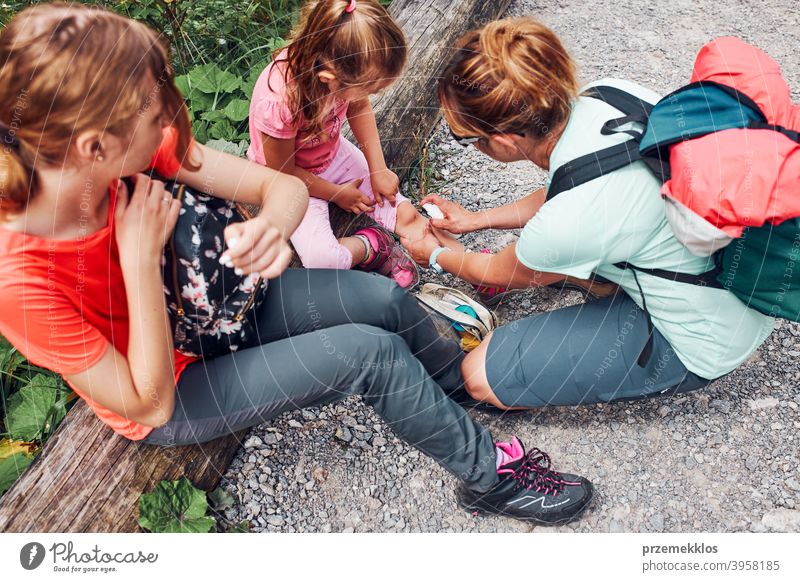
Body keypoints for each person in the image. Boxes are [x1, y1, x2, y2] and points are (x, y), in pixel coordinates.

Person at [0, 3, 592, 525]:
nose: (168, 126)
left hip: (225, 306)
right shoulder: (19, 281)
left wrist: (271, 228)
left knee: (383, 301)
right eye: (153, 114)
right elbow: (145, 402)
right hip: (173, 382)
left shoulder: (134, 150)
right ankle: (488, 478)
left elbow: (277, 187)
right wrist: (135, 262)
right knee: (371, 355)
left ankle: (452, 389)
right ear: (91, 148)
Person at [401, 17, 775, 411]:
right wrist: (477, 219)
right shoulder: (609, 95)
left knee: (478, 376)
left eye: (467, 140)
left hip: (700, 337)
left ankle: (644, 338)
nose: (470, 146)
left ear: (505, 140)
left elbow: (501, 271)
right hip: (734, 274)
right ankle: (603, 284)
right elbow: (570, 183)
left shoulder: (569, 223)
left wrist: (436, 256)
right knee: (568, 248)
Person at [247, 0, 460, 289]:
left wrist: (378, 169)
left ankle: (468, 262)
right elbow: (283, 171)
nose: (372, 93)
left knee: (401, 210)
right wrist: (336, 194)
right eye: (371, 88)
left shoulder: (334, 66)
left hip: (332, 157)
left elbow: (358, 107)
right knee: (322, 261)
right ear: (329, 79)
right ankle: (371, 246)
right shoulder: (278, 103)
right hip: (289, 182)